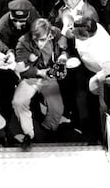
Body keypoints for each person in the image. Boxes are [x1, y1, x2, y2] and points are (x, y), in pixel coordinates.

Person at [13, 18, 68, 147]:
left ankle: (48, 133)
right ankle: (29, 135)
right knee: (18, 102)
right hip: (30, 78)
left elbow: (65, 45)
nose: (39, 43)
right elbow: (23, 70)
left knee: (57, 109)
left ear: (49, 34)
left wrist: (63, 55)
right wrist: (39, 72)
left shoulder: (56, 33)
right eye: (36, 40)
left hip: (49, 77)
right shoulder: (23, 43)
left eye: (42, 40)